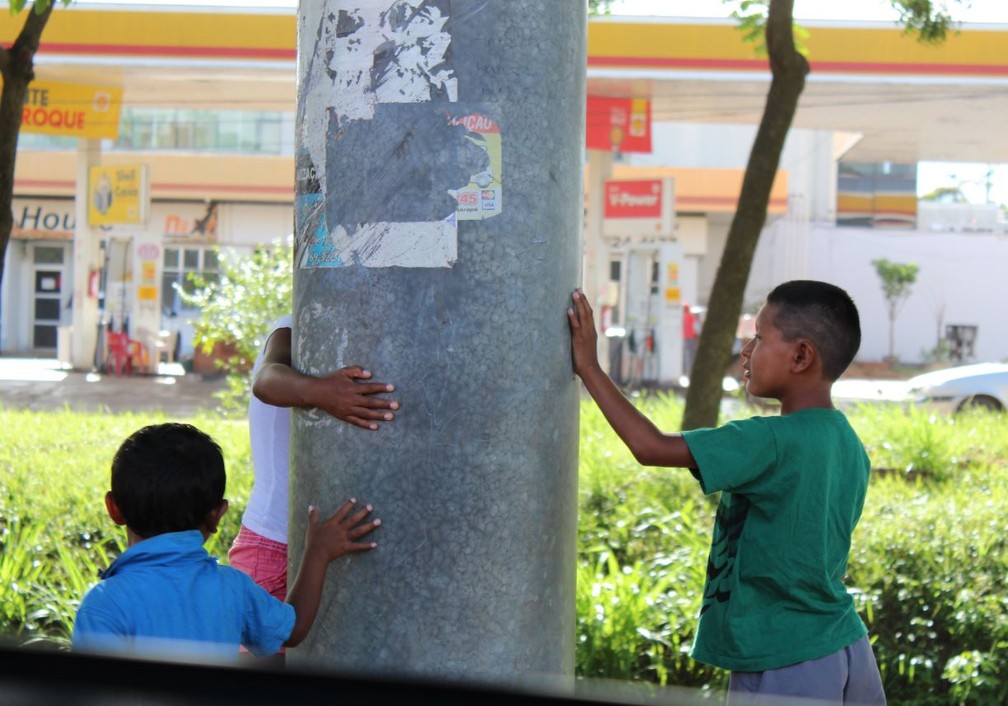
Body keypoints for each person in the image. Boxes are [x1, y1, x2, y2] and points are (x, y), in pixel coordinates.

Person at [567, 280, 885, 706]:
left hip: (783, 656)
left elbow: (652, 447)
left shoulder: (770, 439)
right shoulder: (847, 442)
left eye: (759, 337)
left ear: (801, 355)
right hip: (845, 644)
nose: (747, 350)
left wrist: (590, 368)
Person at [72, 422, 381, 663]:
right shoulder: (231, 587)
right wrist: (319, 552)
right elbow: (293, 628)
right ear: (217, 516)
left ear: (114, 509)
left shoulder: (102, 605)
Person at [228, 315, 397, 605]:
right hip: (273, 542)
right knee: (266, 648)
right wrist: (323, 392)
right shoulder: (292, 327)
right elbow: (265, 382)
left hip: (326, 544)